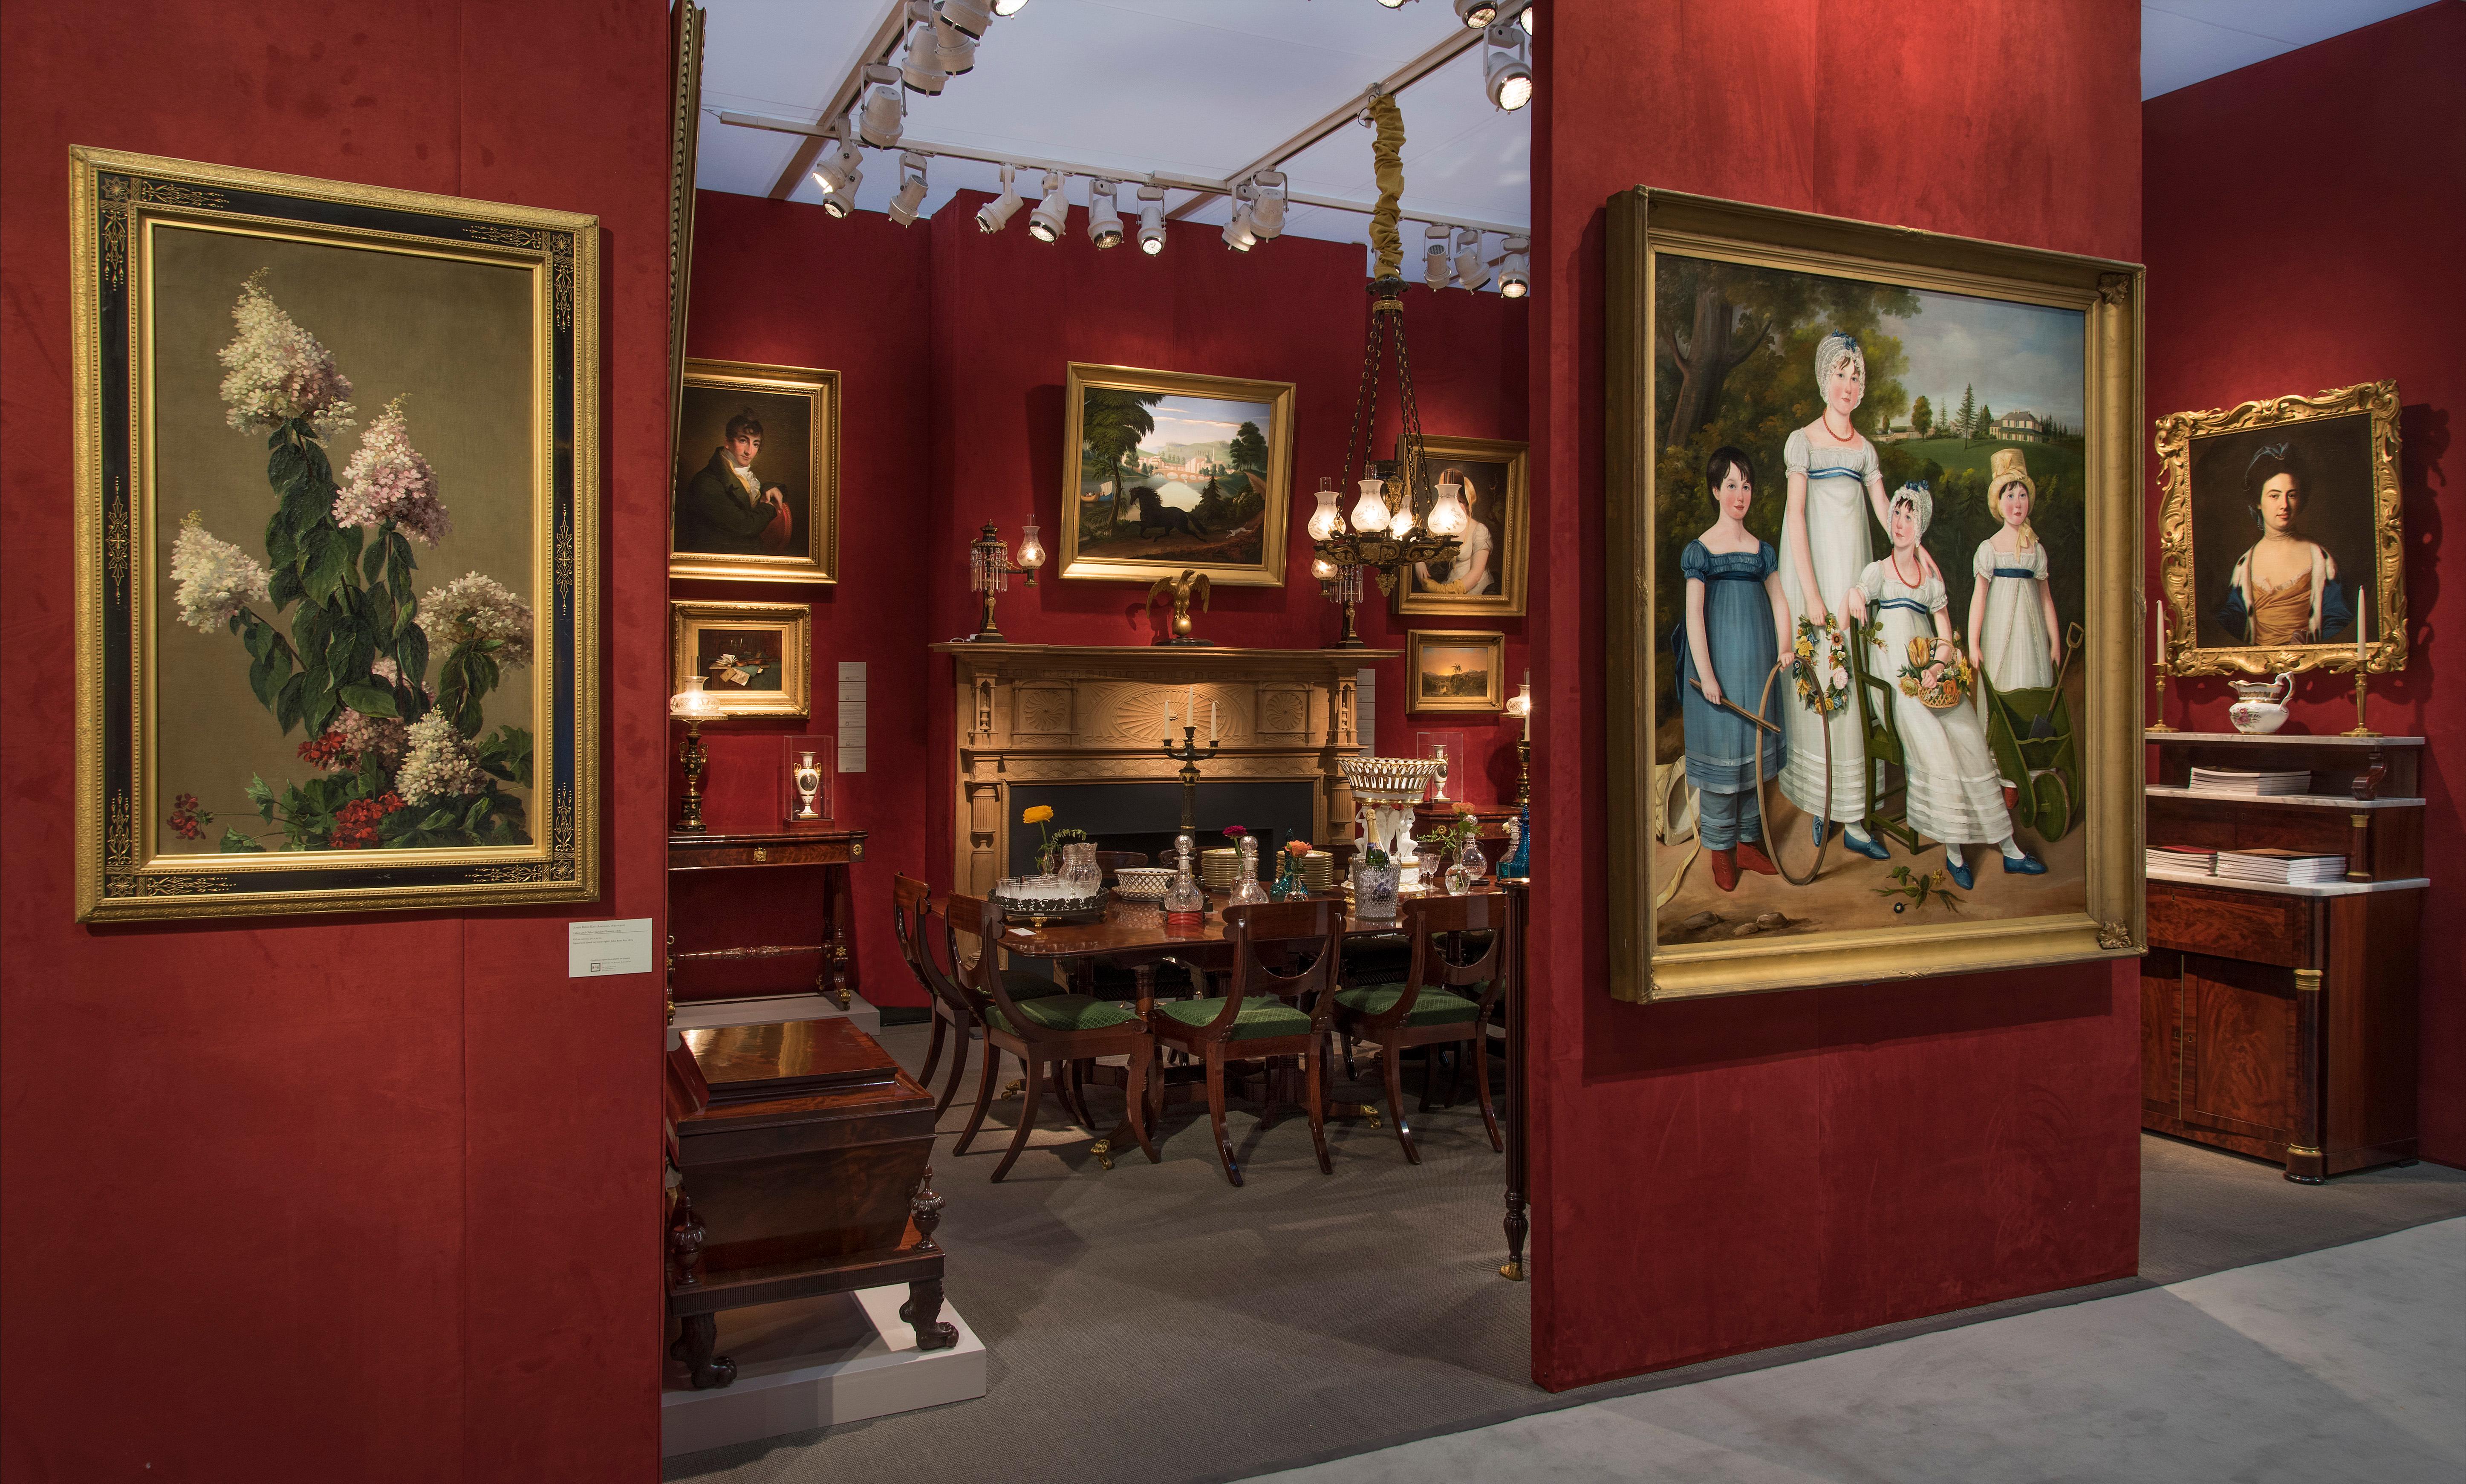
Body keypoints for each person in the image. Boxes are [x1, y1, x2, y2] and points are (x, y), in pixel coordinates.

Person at [1845, 483, 2045, 889]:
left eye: (1910, 517)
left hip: (1926, 677)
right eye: (1897, 515)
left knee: (1969, 734)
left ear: (1921, 527)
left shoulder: (1930, 582)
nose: (1901, 524)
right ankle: (1956, 854)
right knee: (1938, 746)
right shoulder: (1878, 571)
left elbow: (1946, 638)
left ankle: (2009, 849)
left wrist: (1937, 668)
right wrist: (1855, 594)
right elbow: (1859, 596)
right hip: (1893, 684)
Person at [1778, 331, 1927, 860]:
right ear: (1824, 379)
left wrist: (1919, 548)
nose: (1847, 384)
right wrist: (1813, 595)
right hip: (1815, 574)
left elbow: (1889, 516)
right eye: (1839, 374)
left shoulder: (1864, 450)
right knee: (1825, 686)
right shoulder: (1804, 440)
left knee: (1857, 684)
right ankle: (1825, 803)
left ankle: (1859, 815)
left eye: (1855, 376)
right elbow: (1796, 516)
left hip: (1855, 580)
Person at [1675, 447, 1791, 891]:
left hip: (1756, 666)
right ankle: (1721, 852)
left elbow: (1779, 600)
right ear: (1714, 490)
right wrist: (1705, 673)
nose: (1739, 494)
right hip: (1717, 668)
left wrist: (1784, 647)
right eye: (1730, 485)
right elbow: (1693, 616)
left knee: (1753, 754)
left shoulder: (1761, 550)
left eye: (1745, 485)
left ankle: (1747, 843)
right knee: (1724, 757)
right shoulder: (1701, 551)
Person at [1969, 448, 2062, 788]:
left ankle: (2031, 764)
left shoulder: (2036, 550)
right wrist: (1975, 642)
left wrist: (2054, 641)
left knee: (2032, 684)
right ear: (1999, 503)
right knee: (2004, 687)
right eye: (2010, 495)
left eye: (2022, 495)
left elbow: (2046, 598)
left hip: (2032, 631)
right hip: (1999, 630)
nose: (2017, 503)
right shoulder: (1989, 549)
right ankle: (2000, 768)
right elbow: (1979, 598)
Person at [2214, 442, 2351, 646]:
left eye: (2292, 495)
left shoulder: (2321, 560)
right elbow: (2234, 618)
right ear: (2258, 502)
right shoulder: (2245, 564)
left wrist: (2312, 648)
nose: (2284, 505)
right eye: (2274, 496)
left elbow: (2337, 620)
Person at [677, 410, 793, 556]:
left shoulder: (745, 478)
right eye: (743, 441)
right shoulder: (706, 482)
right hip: (716, 560)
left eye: (756, 444)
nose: (749, 451)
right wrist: (769, 508)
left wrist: (771, 487)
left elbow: (745, 493)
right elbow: (745, 526)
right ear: (727, 442)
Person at [1412, 467, 1496, 596]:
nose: (1455, 506)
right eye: (1452, 501)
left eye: (1461, 501)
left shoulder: (1479, 530)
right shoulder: (1445, 527)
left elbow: (1476, 574)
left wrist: (1444, 591)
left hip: (1473, 589)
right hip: (1450, 584)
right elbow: (1421, 546)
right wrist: (1419, 562)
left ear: (1468, 505)